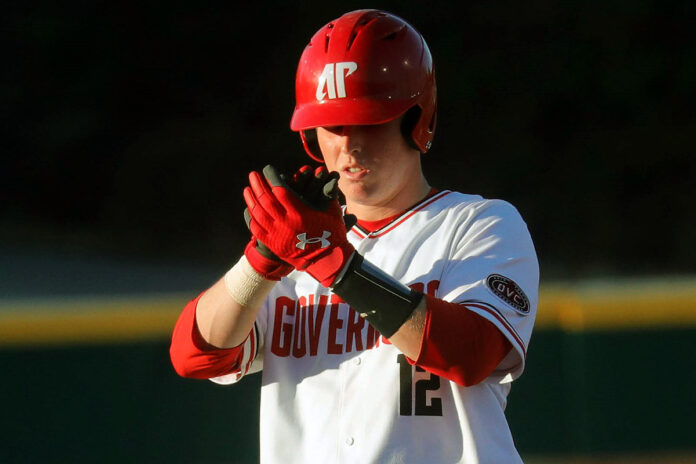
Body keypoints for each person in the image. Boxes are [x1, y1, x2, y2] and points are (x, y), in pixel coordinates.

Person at [170, 9, 539, 464]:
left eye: (368, 121)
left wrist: (337, 265)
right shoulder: (295, 249)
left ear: (415, 119)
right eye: (333, 126)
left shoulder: (480, 225)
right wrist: (260, 261)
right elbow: (197, 355)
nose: (348, 146)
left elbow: (472, 354)